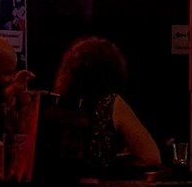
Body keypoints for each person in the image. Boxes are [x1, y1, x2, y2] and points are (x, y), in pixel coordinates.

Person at [53, 36, 160, 173]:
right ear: (113, 70)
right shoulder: (110, 103)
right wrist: (112, 162)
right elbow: (151, 158)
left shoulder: (58, 103)